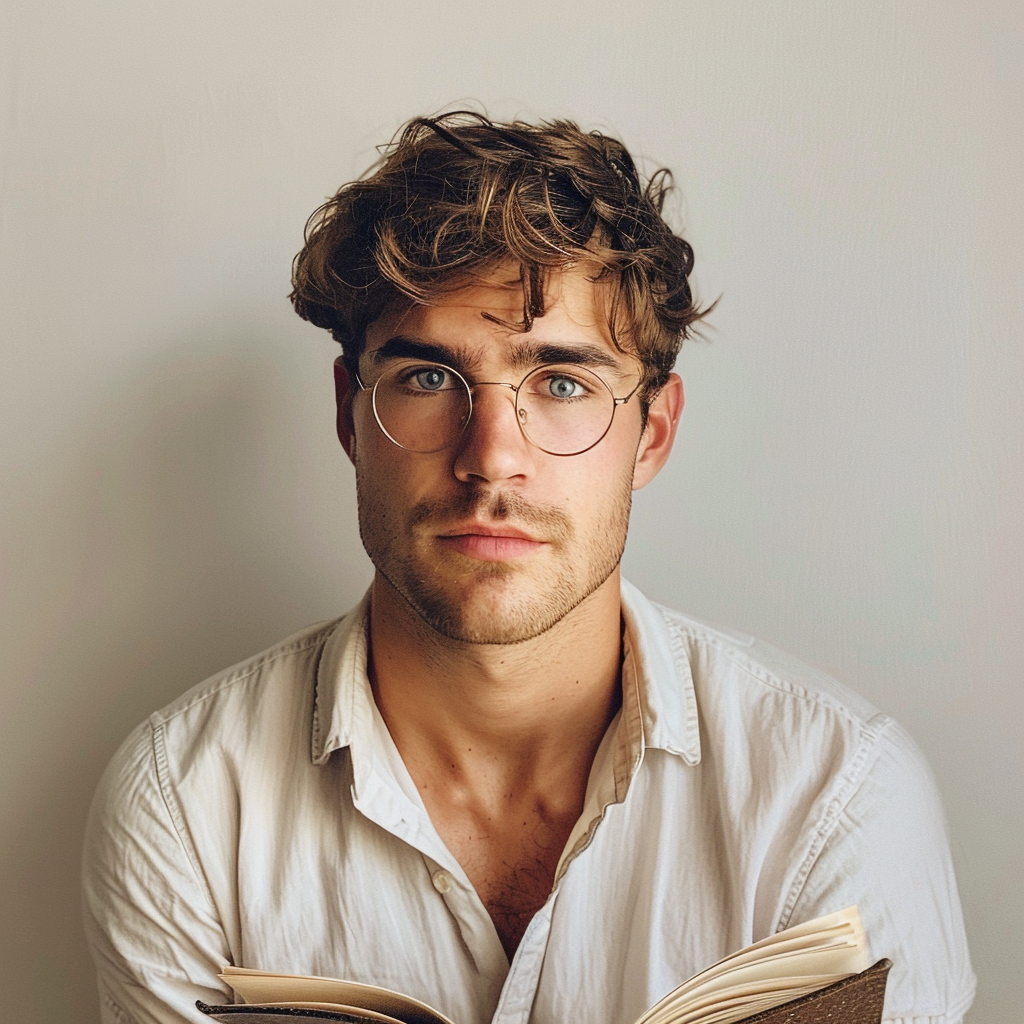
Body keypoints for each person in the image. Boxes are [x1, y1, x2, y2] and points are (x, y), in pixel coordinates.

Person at [82, 112, 975, 1024]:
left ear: (651, 435)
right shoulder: (185, 806)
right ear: (352, 414)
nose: (492, 458)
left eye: (561, 383)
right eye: (430, 378)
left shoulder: (835, 793)